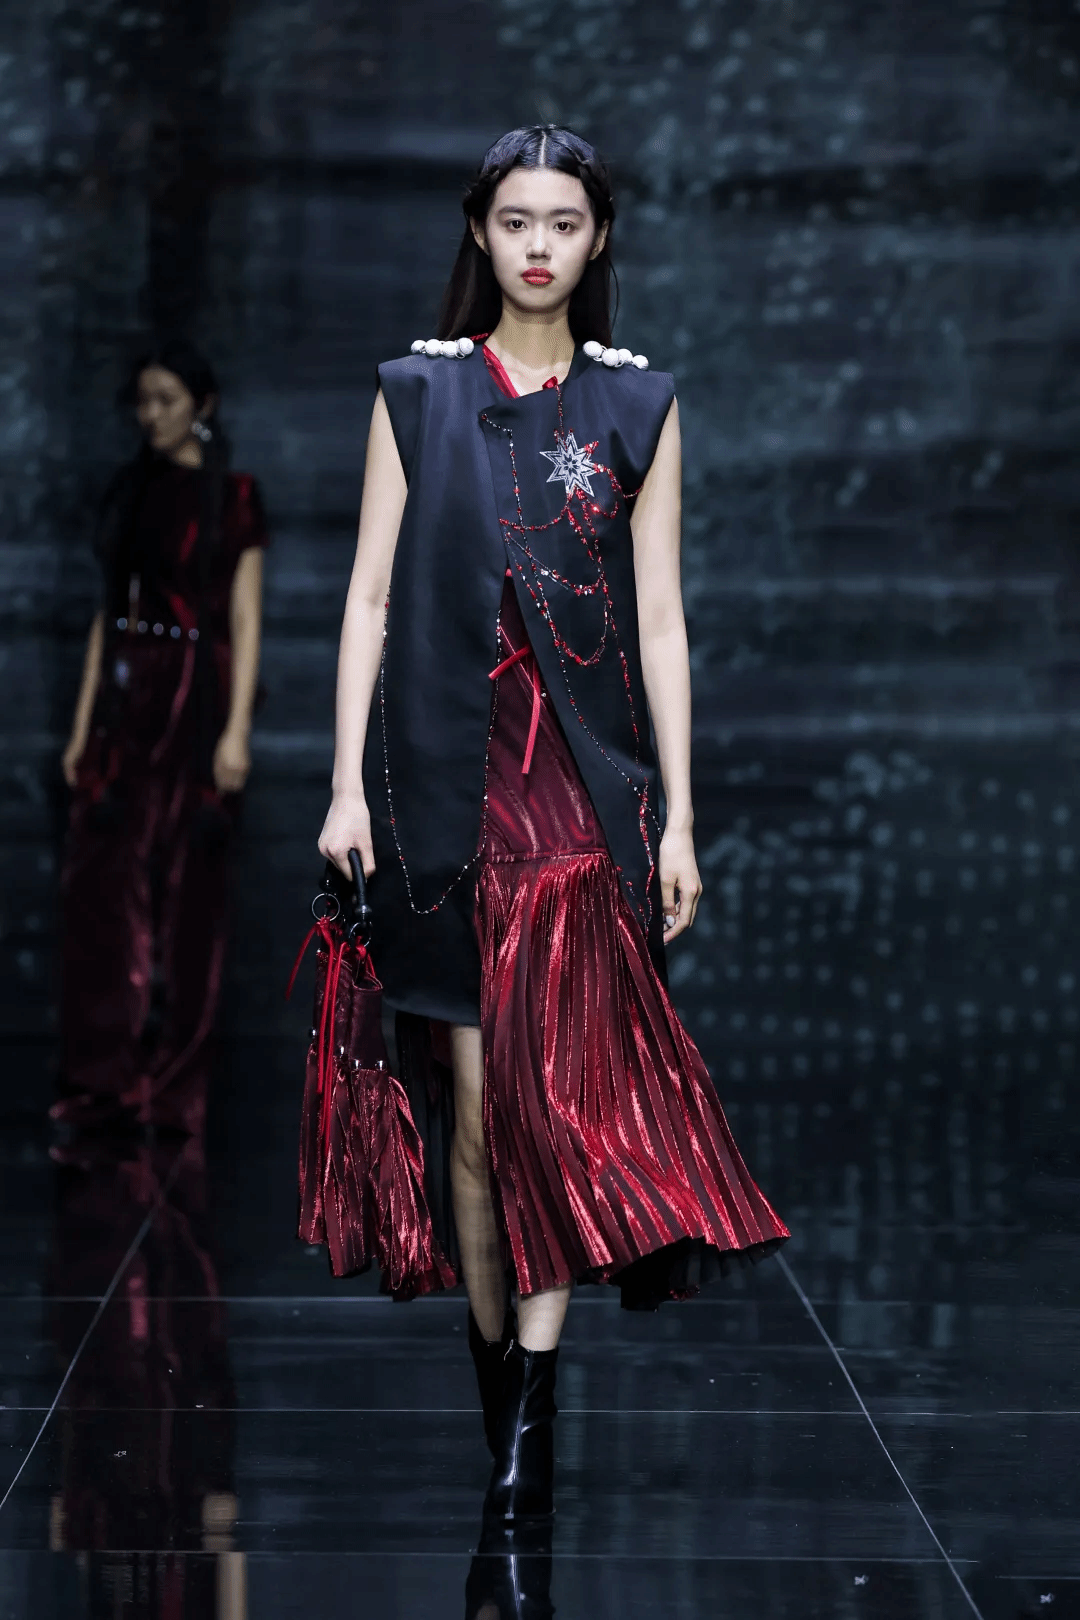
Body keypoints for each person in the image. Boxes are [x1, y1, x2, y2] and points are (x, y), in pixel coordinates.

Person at [318, 125, 788, 1522]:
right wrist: (343, 786)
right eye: (516, 219)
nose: (539, 244)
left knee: (539, 1105)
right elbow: (368, 598)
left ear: (597, 240)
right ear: (481, 232)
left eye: (564, 222)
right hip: (439, 788)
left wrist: (681, 821)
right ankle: (504, 1392)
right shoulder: (416, 393)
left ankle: (532, 1403)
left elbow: (662, 619)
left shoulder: (638, 407)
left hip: (578, 794)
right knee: (473, 1118)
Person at [57, 340, 267, 1137]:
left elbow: (245, 615)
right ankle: (105, 1084)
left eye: (166, 400)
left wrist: (237, 730)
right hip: (127, 694)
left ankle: (175, 1091)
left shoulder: (233, 496)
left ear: (201, 406)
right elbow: (105, 615)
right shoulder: (130, 489)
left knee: (191, 898)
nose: (151, 416)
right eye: (142, 401)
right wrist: (82, 726)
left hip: (196, 696)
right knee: (105, 899)